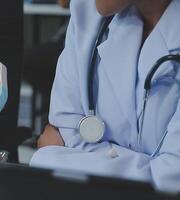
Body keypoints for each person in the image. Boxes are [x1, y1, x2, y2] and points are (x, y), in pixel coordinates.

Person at [31, 0, 180, 193]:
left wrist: (54, 158)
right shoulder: (87, 13)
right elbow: (67, 132)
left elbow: (171, 179)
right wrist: (146, 166)